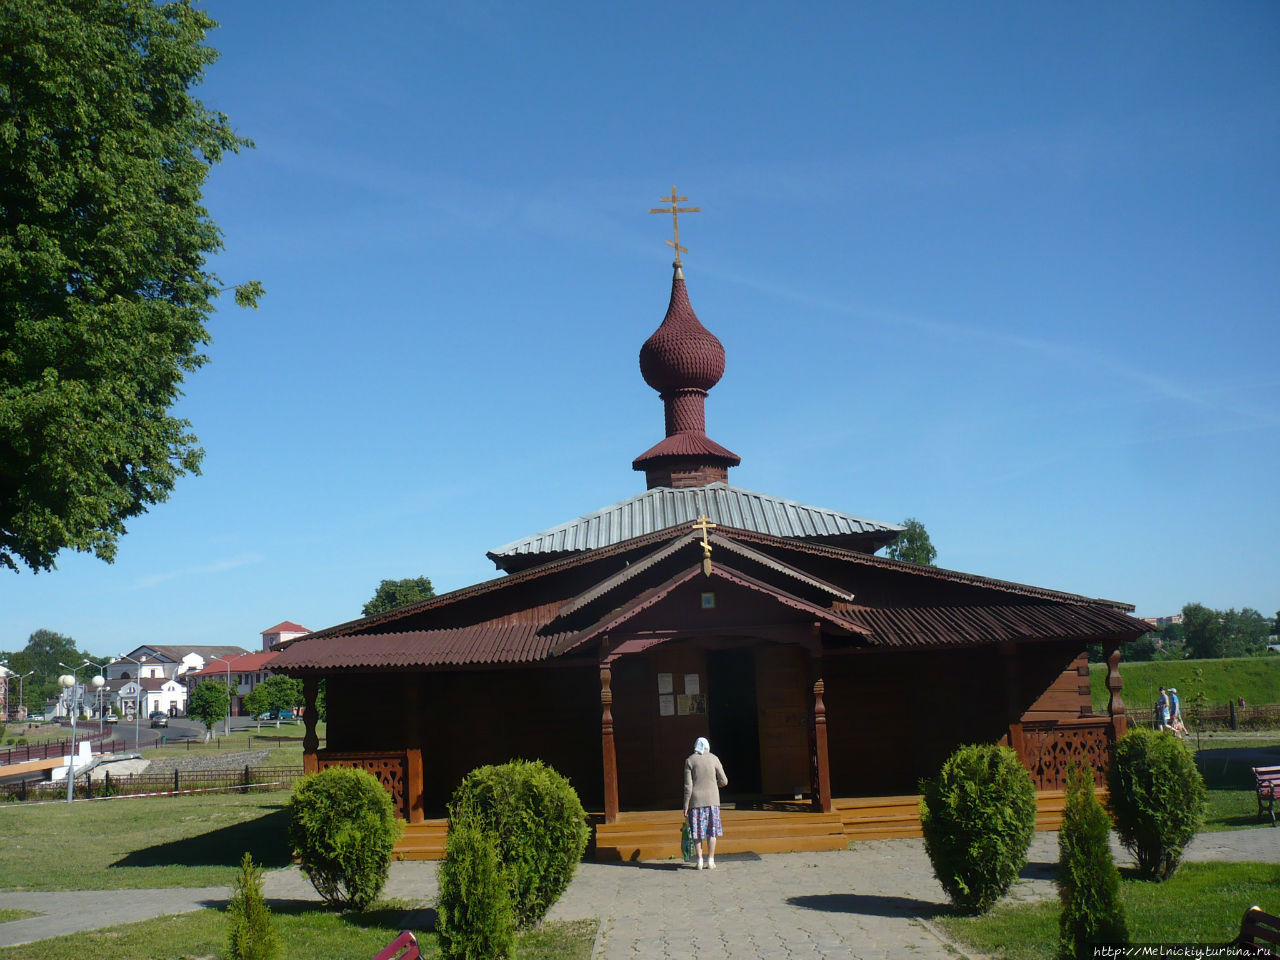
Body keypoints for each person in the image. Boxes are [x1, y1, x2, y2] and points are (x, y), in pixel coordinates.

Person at [683, 736, 728, 870]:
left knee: (697, 833)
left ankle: (700, 860)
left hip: (695, 802)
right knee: (712, 831)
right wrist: (716, 785)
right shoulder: (714, 758)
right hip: (713, 801)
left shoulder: (690, 760)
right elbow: (724, 781)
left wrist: (685, 805)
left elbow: (688, 786)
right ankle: (711, 860)